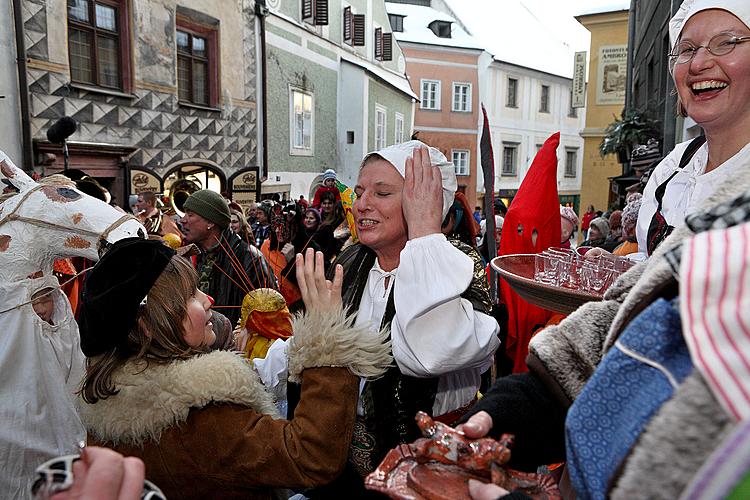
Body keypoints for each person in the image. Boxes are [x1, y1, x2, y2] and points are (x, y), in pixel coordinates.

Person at [457, 3, 750, 497]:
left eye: (727, 43)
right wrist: (528, 400)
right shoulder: (676, 169)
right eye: (687, 49)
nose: (701, 62)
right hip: (625, 403)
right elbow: (656, 285)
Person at [76, 239, 392, 500]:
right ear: (147, 326)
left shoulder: (113, 401)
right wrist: (329, 344)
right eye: (191, 296)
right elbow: (311, 456)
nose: (209, 299)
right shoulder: (199, 418)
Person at [276, 140, 500, 496]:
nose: (361, 204)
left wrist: (425, 234)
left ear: (425, 202)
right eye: (361, 191)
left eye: (382, 193)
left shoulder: (459, 267)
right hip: (343, 473)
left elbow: (429, 353)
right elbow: (307, 344)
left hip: (424, 474)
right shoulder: (351, 261)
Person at [180, 189, 276, 325]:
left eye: (190, 215)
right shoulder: (190, 255)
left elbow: (269, 313)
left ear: (210, 223)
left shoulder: (249, 258)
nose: (183, 220)